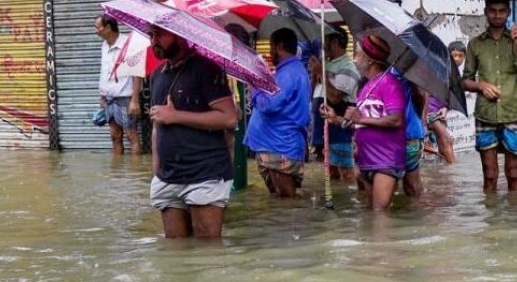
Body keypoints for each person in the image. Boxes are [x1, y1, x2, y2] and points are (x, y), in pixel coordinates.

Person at [147, 26, 238, 238]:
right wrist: (156, 172)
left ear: (179, 34)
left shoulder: (206, 69)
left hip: (205, 174)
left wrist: (176, 116)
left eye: (159, 34)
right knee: (176, 252)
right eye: (151, 35)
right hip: (168, 176)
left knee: (207, 252)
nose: (153, 41)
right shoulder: (156, 76)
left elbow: (229, 117)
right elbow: (156, 123)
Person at [323, 34, 406, 211]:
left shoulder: (389, 83)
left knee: (379, 214)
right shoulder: (366, 87)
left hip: (385, 160)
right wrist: (336, 119)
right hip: (366, 161)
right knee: (371, 214)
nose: (355, 59)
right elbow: (360, 123)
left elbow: (397, 120)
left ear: (369, 60)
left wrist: (361, 118)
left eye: (358, 54)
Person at [461, 0, 517, 192]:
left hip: (513, 113)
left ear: (508, 13)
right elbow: (464, 81)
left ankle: (514, 220)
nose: (497, 15)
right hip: (485, 114)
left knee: (514, 173)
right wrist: (481, 86)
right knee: (490, 174)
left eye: (502, 11)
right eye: (493, 11)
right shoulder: (475, 44)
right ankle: (492, 221)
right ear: (486, 12)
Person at [244, 28, 311, 198]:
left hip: (279, 146)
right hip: (275, 145)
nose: (269, 51)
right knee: (280, 203)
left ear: (279, 46)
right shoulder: (288, 72)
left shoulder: (289, 74)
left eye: (271, 46)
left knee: (286, 203)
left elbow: (268, 105)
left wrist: (254, 87)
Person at [313, 32, 361, 181]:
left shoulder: (348, 67)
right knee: (331, 175)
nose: (322, 44)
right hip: (324, 130)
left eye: (325, 40)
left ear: (334, 43)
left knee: (346, 174)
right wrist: (314, 73)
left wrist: (321, 73)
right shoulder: (326, 63)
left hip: (339, 131)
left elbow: (334, 98)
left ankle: (348, 204)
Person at [95, 14, 142, 156]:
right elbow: (106, 72)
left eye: (97, 27)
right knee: (115, 137)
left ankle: (135, 174)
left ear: (108, 28)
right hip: (110, 99)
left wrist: (135, 100)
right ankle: (117, 173)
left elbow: (137, 72)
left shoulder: (128, 45)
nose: (95, 30)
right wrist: (102, 95)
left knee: (131, 136)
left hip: (126, 99)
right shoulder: (104, 46)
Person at [424, 40, 465, 164]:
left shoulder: (455, 76)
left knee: (445, 144)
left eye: (460, 56)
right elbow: (425, 89)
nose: (457, 59)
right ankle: (453, 168)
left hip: (439, 112)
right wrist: (423, 113)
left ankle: (446, 175)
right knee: (446, 138)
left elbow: (448, 97)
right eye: (454, 56)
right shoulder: (438, 70)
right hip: (429, 111)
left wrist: (446, 108)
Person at [403, 80, 428, 198]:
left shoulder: (407, 71)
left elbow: (420, 94)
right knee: (412, 186)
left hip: (409, 132)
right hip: (411, 131)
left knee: (411, 186)